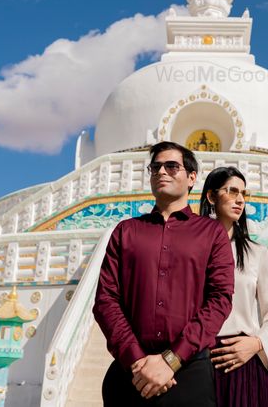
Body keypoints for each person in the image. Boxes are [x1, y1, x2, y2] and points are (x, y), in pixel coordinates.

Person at [93, 141, 235, 406]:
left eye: (172, 166)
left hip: (189, 372)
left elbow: (220, 300)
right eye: (155, 167)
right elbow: (106, 300)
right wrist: (137, 360)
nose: (161, 172)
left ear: (192, 177)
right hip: (130, 373)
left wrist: (172, 360)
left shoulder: (212, 233)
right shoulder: (126, 232)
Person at [201, 166, 268, 407]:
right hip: (199, 361)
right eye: (232, 191)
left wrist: (256, 343)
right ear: (211, 197)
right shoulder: (193, 251)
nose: (240, 199)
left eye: (243, 193)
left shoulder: (256, 253)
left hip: (244, 362)